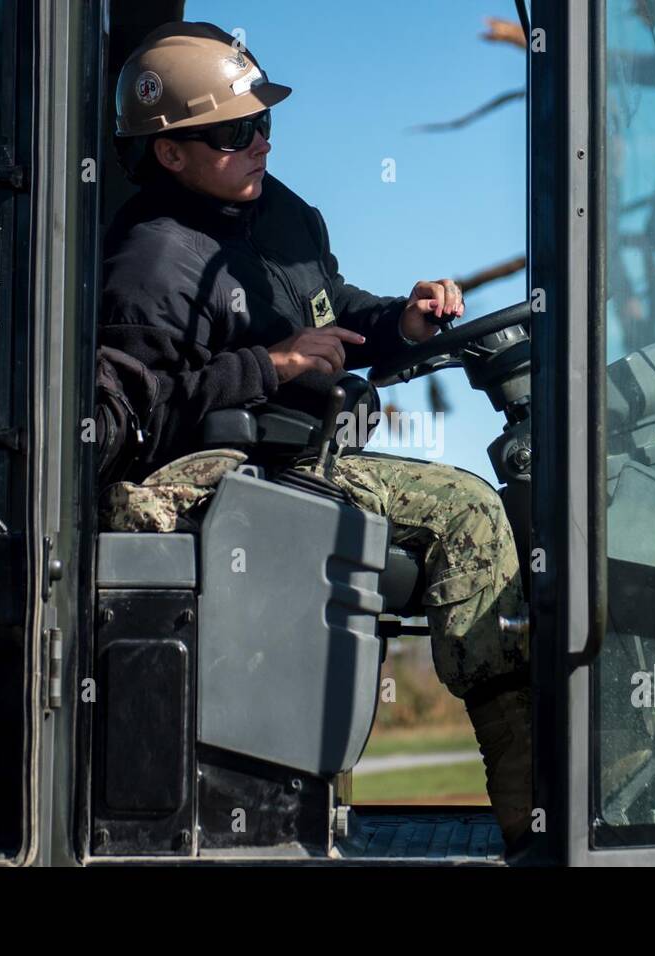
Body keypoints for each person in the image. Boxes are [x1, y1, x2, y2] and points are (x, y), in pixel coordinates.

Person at [93, 21, 532, 851]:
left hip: (306, 455)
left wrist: (401, 320)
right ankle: (530, 816)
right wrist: (270, 365)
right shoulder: (152, 263)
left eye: (263, 122)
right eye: (234, 133)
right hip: (238, 475)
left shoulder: (278, 213)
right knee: (468, 512)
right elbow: (125, 422)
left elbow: (334, 308)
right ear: (170, 153)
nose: (260, 142)